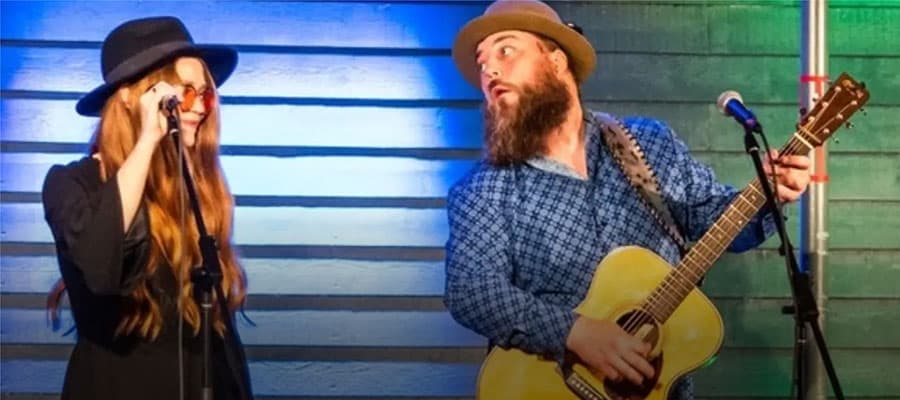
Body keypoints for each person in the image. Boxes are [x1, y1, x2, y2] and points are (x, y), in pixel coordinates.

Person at [442, 1, 812, 399]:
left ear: (556, 60)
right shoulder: (484, 188)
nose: (489, 70)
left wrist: (768, 194)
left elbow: (716, 222)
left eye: (506, 50)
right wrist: (574, 333)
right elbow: (472, 290)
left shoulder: (648, 144)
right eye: (482, 63)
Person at [41, 16, 253, 400]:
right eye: (184, 93)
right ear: (129, 96)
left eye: (204, 94)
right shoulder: (71, 185)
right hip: (117, 386)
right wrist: (146, 143)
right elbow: (100, 266)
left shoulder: (201, 187)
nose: (200, 107)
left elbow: (220, 331)